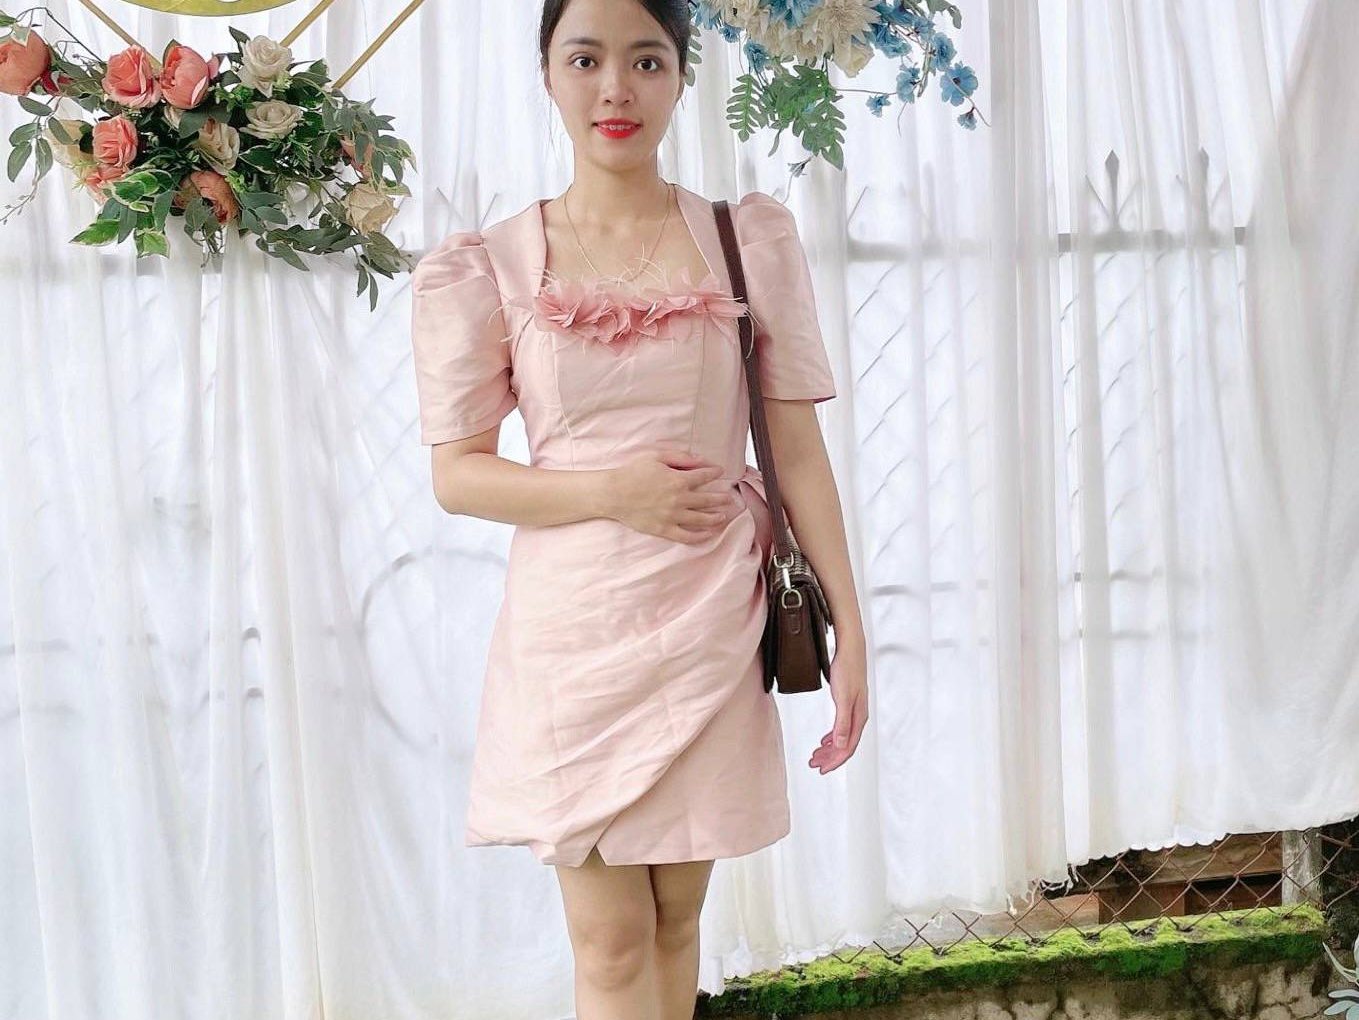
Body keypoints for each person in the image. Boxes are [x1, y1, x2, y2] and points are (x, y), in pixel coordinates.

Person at [409, 0, 870, 1015]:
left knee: (673, 923)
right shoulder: (491, 263)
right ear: (547, 72)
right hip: (574, 634)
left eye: (646, 61)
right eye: (586, 59)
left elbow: (797, 451)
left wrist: (852, 634)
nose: (615, 88)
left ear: (679, 76)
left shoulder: (742, 241)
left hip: (712, 615)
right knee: (611, 942)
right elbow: (458, 474)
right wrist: (609, 491)